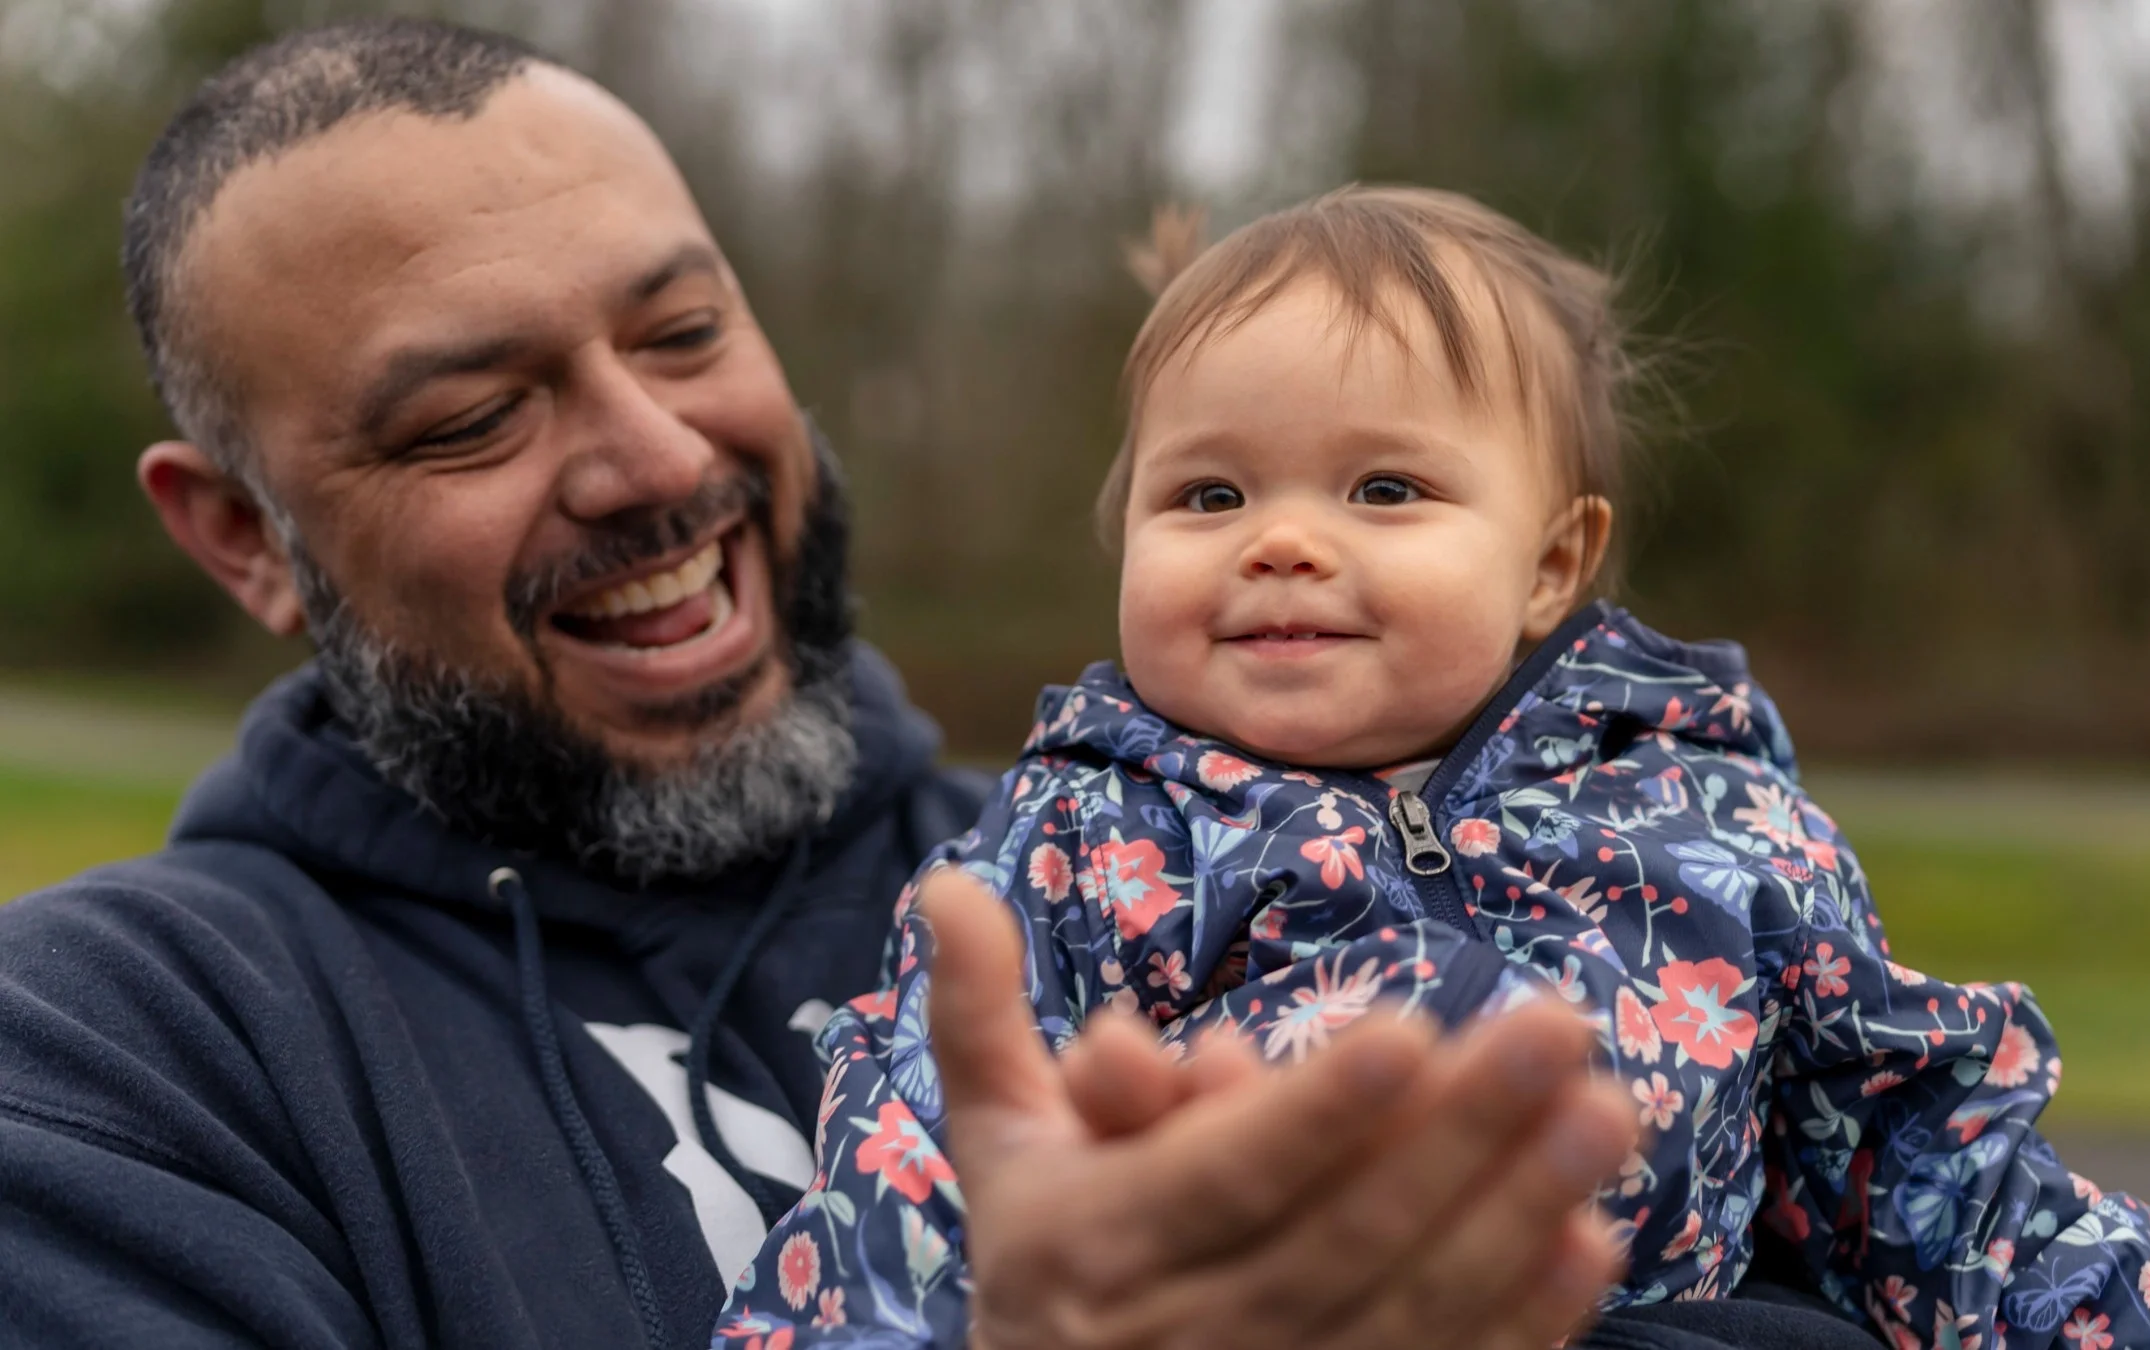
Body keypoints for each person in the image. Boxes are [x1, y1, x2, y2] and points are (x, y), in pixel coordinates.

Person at [0, 21, 1647, 1350]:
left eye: (683, 331)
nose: (655, 458)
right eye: (470, 419)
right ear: (241, 538)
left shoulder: (1152, 873)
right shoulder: (108, 1062)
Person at [719, 189, 2150, 1350]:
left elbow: (1910, 1161)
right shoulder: (1074, 838)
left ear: (1553, 563)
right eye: (1207, 491)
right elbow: (919, 1166)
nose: (1281, 536)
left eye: (1383, 485)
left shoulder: (1718, 824)